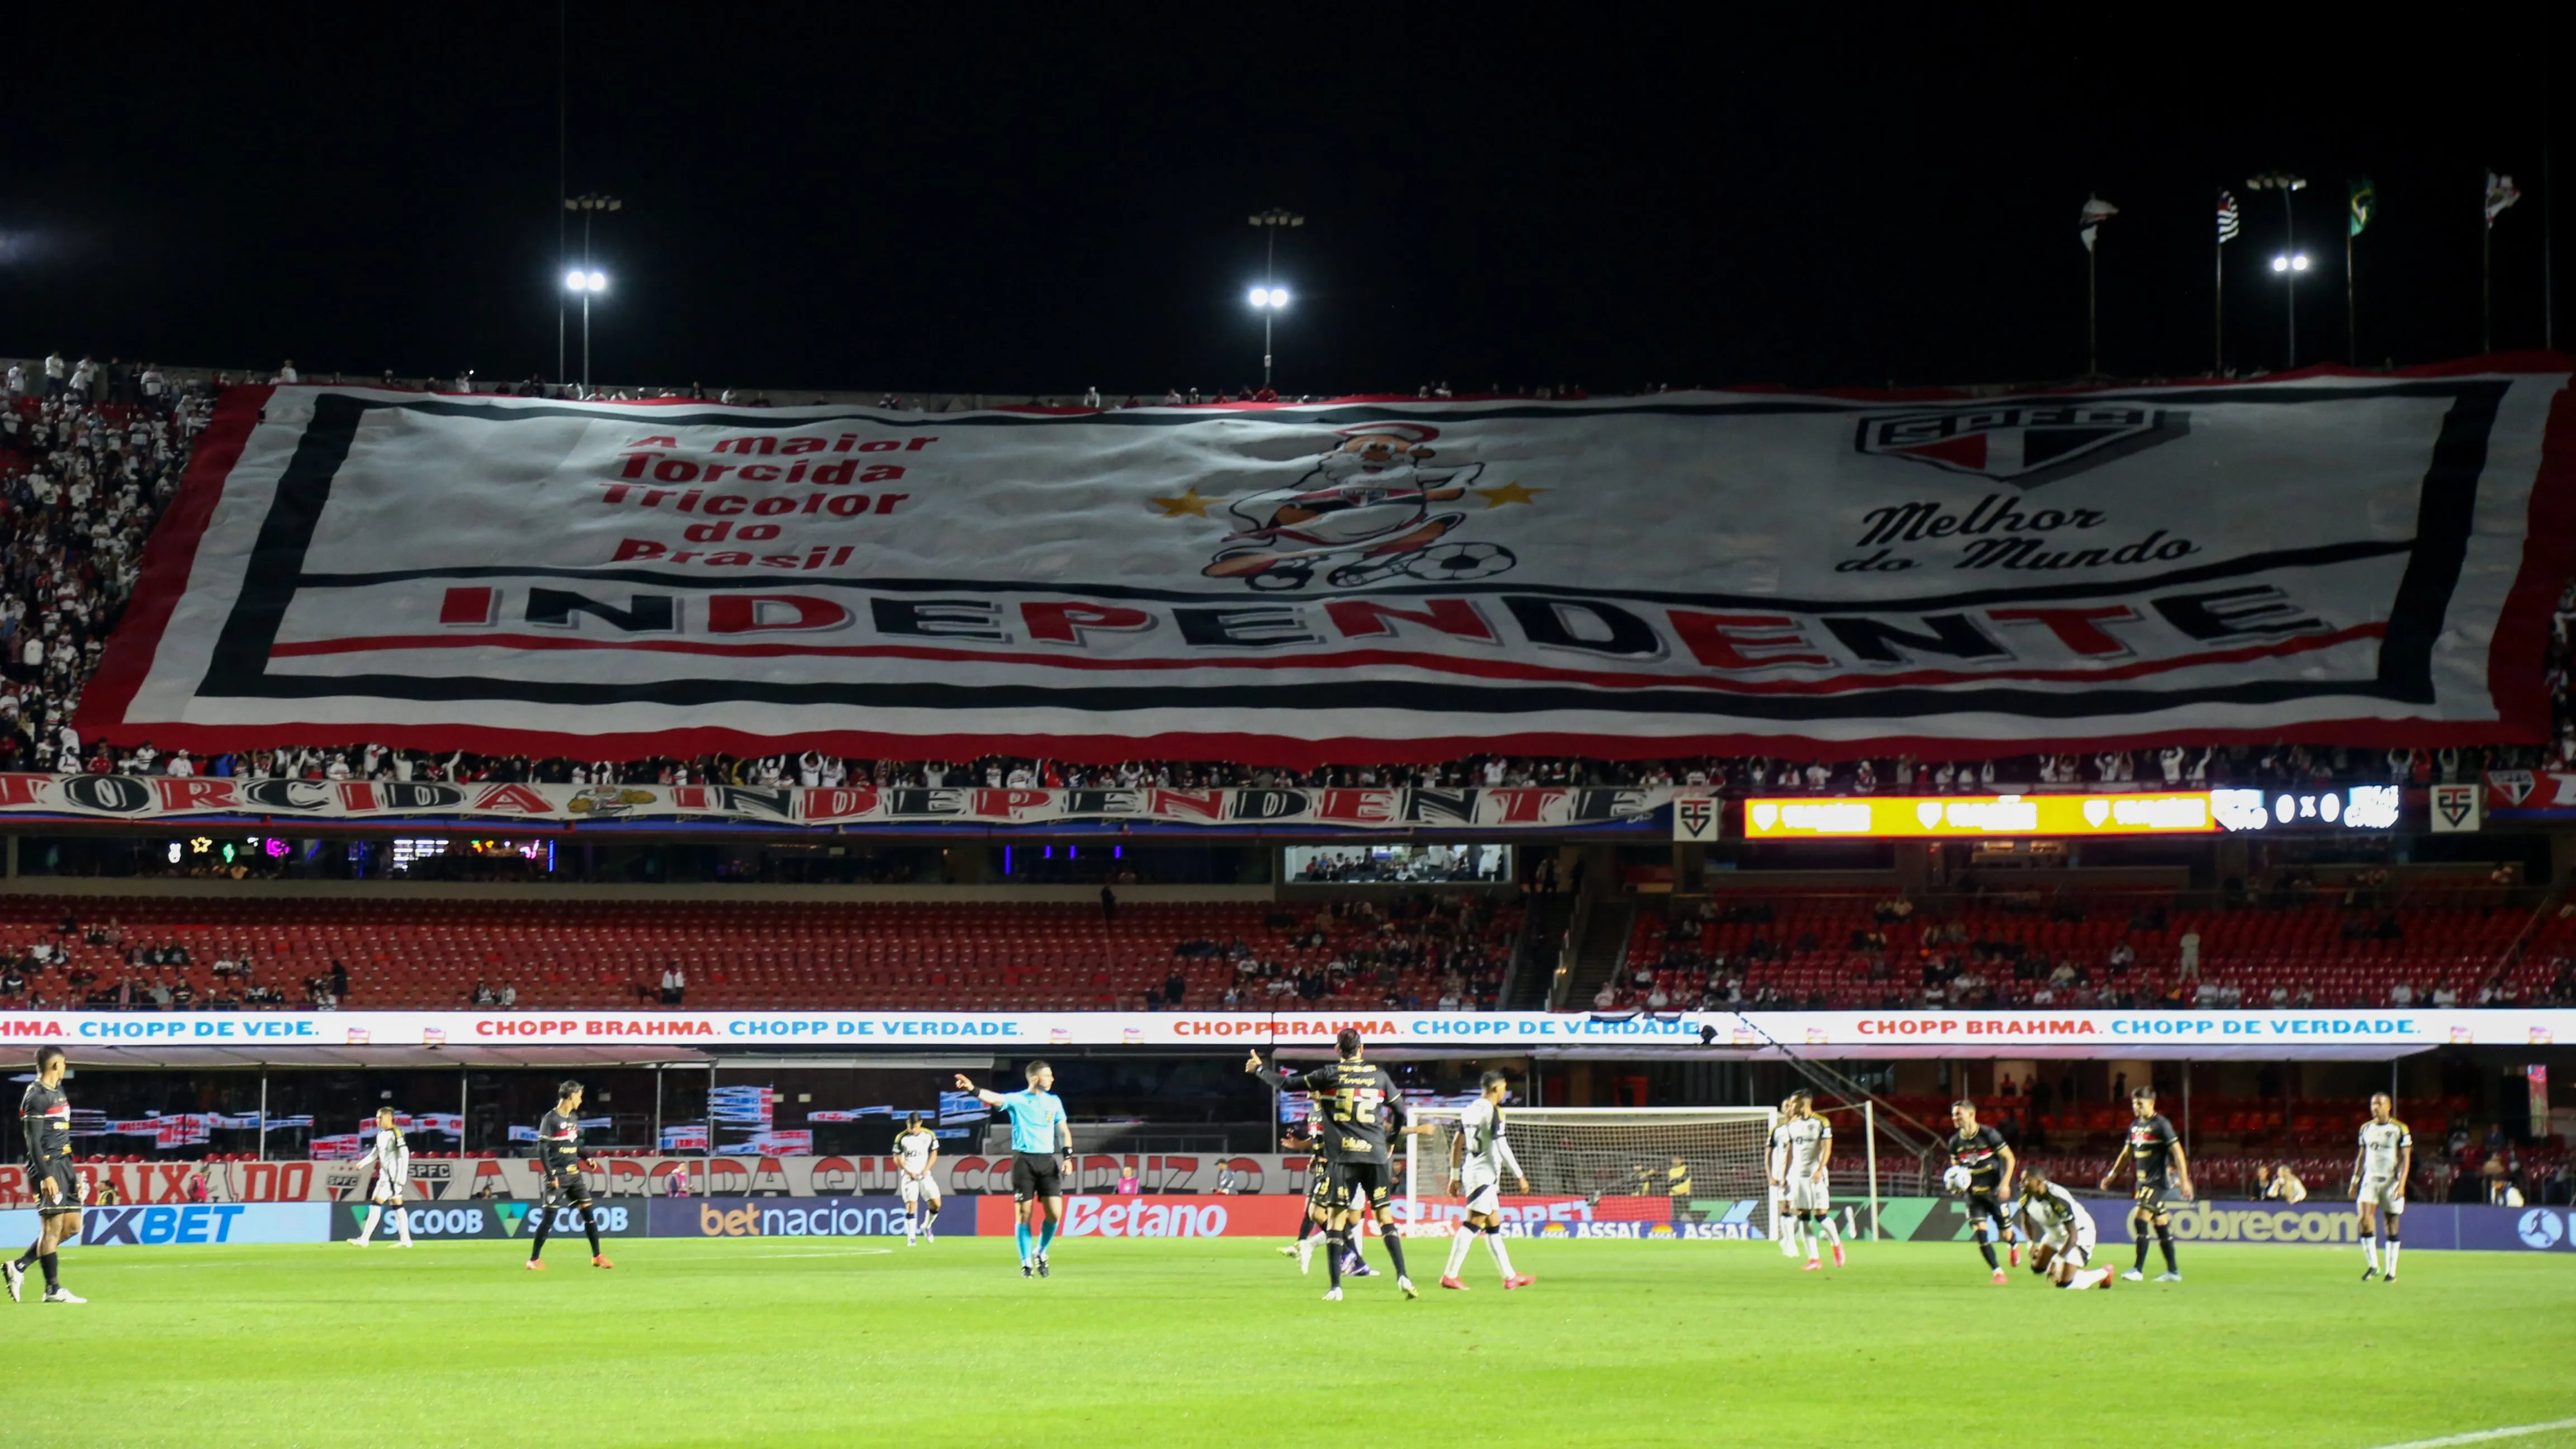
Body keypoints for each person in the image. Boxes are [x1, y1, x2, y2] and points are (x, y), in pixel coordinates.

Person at [1248, 1029, 1424, 1301]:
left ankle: (1336, 1288)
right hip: (1375, 1155)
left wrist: (1260, 1069)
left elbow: (1288, 1084)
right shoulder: (1379, 1076)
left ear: (1337, 1049)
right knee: (1385, 1218)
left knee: (1335, 1220)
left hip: (1343, 1157)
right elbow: (1400, 1111)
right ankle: (1403, 1275)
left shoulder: (1329, 1074)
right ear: (1362, 1049)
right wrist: (1390, 1140)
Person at [956, 1063, 1072, 1277]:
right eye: (1048, 1075)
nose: (1052, 1079)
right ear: (1036, 1079)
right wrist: (973, 1089)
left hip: (1047, 1161)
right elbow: (994, 1098)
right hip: (1023, 1161)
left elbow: (1063, 1130)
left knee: (1055, 1214)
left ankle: (1041, 1251)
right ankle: (1026, 1263)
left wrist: (1068, 1156)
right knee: (1024, 1215)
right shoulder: (1018, 1100)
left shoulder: (1054, 1102)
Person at [1438, 1069, 1534, 1291]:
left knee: (1494, 1225)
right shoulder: (1494, 1112)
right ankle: (1450, 1275)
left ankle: (1510, 1277)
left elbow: (1456, 1143)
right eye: (1504, 1087)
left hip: (1474, 1171)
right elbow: (1502, 1146)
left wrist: (1454, 1176)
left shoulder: (1469, 1109)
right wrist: (1519, 1175)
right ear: (1495, 1088)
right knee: (1473, 1223)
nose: (1505, 1092)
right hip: (1483, 1174)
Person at [6, 1045, 83, 1303]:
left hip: (65, 1164)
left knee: (72, 1227)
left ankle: (19, 1266)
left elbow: (61, 1132)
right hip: (48, 1167)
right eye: (64, 1063)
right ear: (55, 1065)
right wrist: (46, 1175)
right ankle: (53, 1289)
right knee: (52, 1229)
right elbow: (33, 1143)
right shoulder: (36, 1095)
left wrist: (72, 1173)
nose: (65, 1067)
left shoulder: (57, 1091)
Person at [2100, 1085, 2191, 1283]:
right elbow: (2127, 1154)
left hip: (2157, 1182)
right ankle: (2173, 1272)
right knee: (2161, 1224)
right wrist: (2113, 1174)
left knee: (2140, 1219)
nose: (2136, 1107)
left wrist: (2185, 1180)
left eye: (2140, 1104)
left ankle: (2138, 1270)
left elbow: (2177, 1152)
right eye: (2134, 1104)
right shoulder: (2134, 1126)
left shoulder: (2161, 1125)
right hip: (2142, 1182)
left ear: (2151, 1103)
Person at [525, 1079, 612, 1271]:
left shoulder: (573, 1118)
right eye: (579, 1095)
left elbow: (573, 1145)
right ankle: (533, 1259)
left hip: (575, 1175)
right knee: (549, 1218)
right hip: (558, 1175)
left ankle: (597, 1256)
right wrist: (550, 1176)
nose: (581, 1100)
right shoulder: (551, 1119)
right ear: (571, 1095)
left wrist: (586, 1157)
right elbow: (542, 1149)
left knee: (588, 1213)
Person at [1947, 1099, 2020, 1284]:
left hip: (1994, 1192)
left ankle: (2013, 1244)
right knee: (1981, 1232)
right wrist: (1957, 1186)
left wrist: (2005, 1184)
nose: (1954, 1117)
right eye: (1953, 1114)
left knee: (2006, 1234)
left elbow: (2010, 1158)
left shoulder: (1989, 1135)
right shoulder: (1955, 1142)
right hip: (1973, 1195)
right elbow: (1956, 1168)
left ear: (1972, 1114)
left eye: (1958, 1114)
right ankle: (1998, 1272)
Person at [2015, 1166, 2113, 1289]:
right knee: (2037, 1268)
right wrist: (2030, 1243)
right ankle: (2063, 1267)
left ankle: (2104, 1273)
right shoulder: (2026, 1198)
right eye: (2021, 1180)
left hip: (2080, 1235)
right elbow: (2026, 1222)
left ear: (2039, 1182)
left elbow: (2073, 1237)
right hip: (2055, 1234)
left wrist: (2057, 1259)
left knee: (2063, 1284)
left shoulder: (2057, 1200)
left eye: (2026, 1180)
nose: (2021, 1184)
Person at [2350, 1092, 2413, 1283]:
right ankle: (2373, 1266)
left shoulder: (2399, 1128)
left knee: (2391, 1223)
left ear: (2388, 1106)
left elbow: (2405, 1158)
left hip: (2390, 1181)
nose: (2374, 1107)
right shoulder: (2366, 1129)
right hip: (2370, 1179)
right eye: (2372, 1104)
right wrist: (2355, 1180)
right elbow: (2362, 1156)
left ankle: (2391, 1271)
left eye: (2378, 1104)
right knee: (2364, 1218)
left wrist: (2402, 1184)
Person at [1775, 1090, 1841, 1271]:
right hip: (1798, 1176)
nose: (1791, 1106)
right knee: (1804, 1216)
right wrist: (1785, 1175)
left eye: (1794, 1103)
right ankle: (1814, 1259)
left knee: (1821, 1215)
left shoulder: (1821, 1122)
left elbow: (1827, 1149)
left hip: (1816, 1175)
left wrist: (1820, 1169)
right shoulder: (1792, 1125)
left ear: (1804, 1103)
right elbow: (1790, 1152)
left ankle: (1836, 1245)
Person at [351, 1107, 414, 1247]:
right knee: (398, 1206)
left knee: (376, 1204)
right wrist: (363, 1163)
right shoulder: (380, 1134)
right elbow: (375, 1153)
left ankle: (365, 1239)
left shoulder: (396, 1132)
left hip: (391, 1177)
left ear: (387, 1117)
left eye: (379, 1117)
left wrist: (402, 1175)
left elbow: (405, 1153)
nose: (377, 1120)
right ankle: (406, 1240)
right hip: (386, 1175)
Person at [893, 1112, 943, 1247]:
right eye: (910, 1126)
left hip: (925, 1175)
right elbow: (897, 1159)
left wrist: (927, 1169)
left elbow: (934, 1153)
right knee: (911, 1206)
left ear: (920, 1124)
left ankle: (926, 1226)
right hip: (909, 1176)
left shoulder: (929, 1135)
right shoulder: (901, 1138)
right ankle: (911, 1238)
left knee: (937, 1204)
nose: (911, 1129)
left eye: (914, 1127)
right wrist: (908, 1171)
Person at [1767, 1096, 1800, 1259]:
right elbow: (1768, 1153)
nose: (1789, 1108)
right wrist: (1770, 1175)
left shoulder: (1802, 1128)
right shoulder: (1777, 1130)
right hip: (1781, 1174)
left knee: (1800, 1210)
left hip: (1800, 1173)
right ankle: (1789, 1242)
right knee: (1785, 1208)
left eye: (1791, 1105)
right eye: (1786, 1106)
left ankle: (1788, 1239)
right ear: (1782, 1110)